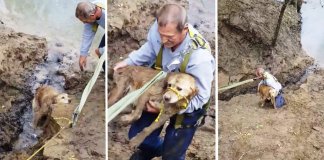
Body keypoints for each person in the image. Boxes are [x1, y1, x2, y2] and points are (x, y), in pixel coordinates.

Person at [113, 4, 215, 160]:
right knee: (138, 136)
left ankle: (169, 151)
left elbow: (202, 98)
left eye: (169, 37)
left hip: (188, 103)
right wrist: (129, 61)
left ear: (185, 29)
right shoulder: (160, 30)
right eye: (161, 35)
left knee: (172, 155)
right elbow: (150, 47)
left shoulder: (200, 59)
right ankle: (152, 150)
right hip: (162, 87)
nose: (163, 40)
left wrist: (166, 108)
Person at [75, 0, 105, 71]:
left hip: (114, 30)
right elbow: (87, 35)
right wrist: (83, 55)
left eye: (85, 21)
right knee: (101, 55)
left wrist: (102, 50)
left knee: (102, 52)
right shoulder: (91, 10)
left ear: (93, 15)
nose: (84, 23)